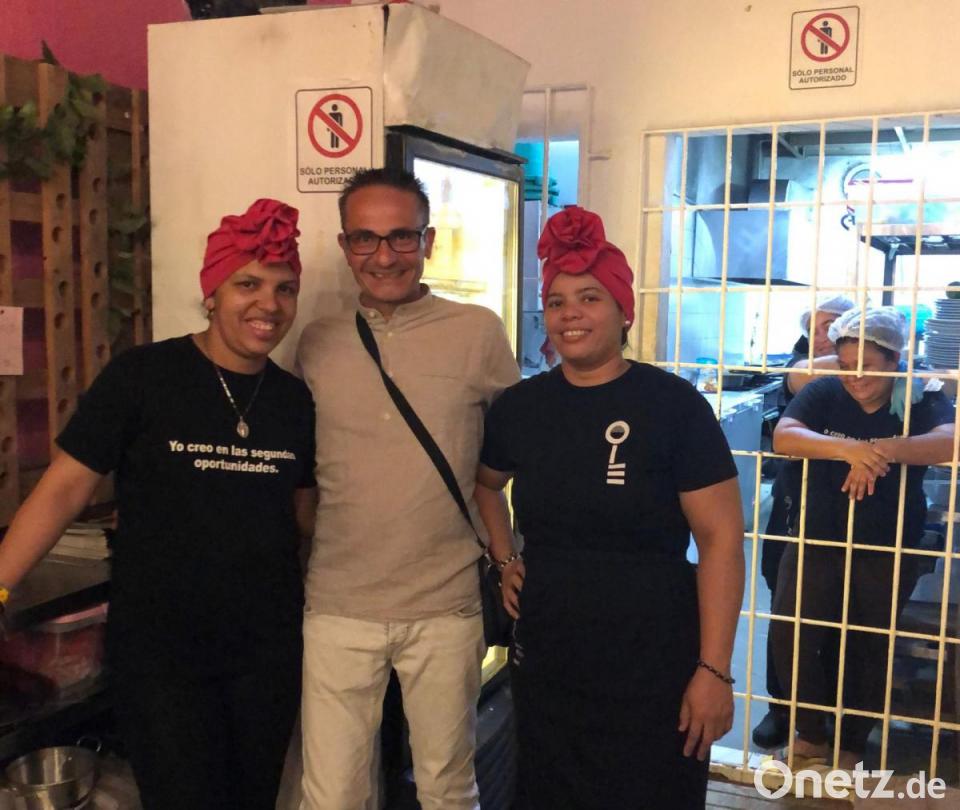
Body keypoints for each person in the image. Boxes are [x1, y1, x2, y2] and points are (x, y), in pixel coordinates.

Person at [0, 199, 316, 809]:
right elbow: (65, 488)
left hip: (266, 652)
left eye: (285, 289)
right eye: (248, 284)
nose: (269, 305)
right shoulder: (143, 377)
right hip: (163, 655)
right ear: (212, 293)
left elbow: (303, 518)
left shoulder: (294, 402)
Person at [474, 206, 745, 810]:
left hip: (655, 661)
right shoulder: (522, 407)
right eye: (557, 301)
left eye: (590, 297)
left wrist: (714, 671)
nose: (570, 313)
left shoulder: (673, 406)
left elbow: (722, 540)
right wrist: (504, 557)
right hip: (550, 657)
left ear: (624, 311)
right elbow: (486, 484)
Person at [295, 167, 519, 810]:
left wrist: (510, 555)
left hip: (446, 606)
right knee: (332, 796)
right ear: (345, 246)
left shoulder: (478, 331)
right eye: (365, 238)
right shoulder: (317, 341)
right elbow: (302, 470)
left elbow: (515, 457)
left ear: (428, 241)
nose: (384, 255)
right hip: (337, 604)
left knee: (448, 788)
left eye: (401, 236)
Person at [770, 306, 954, 768]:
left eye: (868, 366)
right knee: (795, 635)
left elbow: (951, 441)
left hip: (886, 542)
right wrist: (847, 449)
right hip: (816, 535)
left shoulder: (918, 394)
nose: (855, 376)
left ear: (895, 361)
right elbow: (785, 437)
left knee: (869, 643)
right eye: (846, 364)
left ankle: (852, 742)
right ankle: (809, 734)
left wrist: (877, 452)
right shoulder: (826, 390)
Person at [753, 294, 854, 748]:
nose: (822, 335)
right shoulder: (802, 367)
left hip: (850, 509)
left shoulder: (871, 376)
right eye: (816, 327)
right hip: (794, 503)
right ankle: (781, 706)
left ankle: (827, 710)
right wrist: (871, 360)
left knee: (839, 613)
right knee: (784, 609)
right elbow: (803, 374)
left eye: (834, 326)